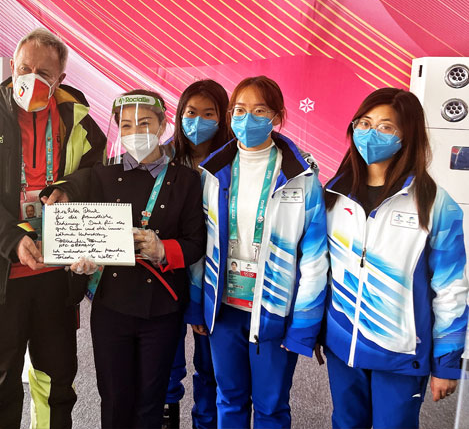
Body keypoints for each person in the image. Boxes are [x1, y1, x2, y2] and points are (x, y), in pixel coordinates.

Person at [0, 28, 106, 429]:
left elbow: (96, 174)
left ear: (60, 79)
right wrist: (12, 238)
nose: (31, 78)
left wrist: (70, 188)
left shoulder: (81, 124)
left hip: (57, 274)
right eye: (24, 68)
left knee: (57, 376)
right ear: (12, 67)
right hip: (0, 273)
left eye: (44, 73)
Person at [53, 90, 205, 428]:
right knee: (114, 398)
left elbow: (195, 244)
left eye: (145, 123)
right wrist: (84, 262)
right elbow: (86, 234)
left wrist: (164, 249)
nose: (136, 132)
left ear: (163, 125)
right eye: (126, 125)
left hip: (162, 307)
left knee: (151, 400)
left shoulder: (186, 180)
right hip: (111, 305)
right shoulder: (101, 176)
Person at [323, 88, 468, 429]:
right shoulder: (333, 194)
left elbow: (451, 289)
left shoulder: (434, 204)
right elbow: (321, 270)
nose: (371, 133)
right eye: (364, 123)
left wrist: (446, 363)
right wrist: (314, 331)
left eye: (385, 127)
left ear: (407, 135)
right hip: (343, 345)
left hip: (400, 354)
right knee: (345, 423)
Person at [190, 75, 328, 428]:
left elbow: (314, 258)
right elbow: (201, 245)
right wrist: (197, 305)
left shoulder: (301, 177)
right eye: (239, 110)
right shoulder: (212, 173)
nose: (247, 118)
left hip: (274, 311)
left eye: (259, 110)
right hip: (224, 309)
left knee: (271, 407)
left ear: (277, 116)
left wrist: (304, 325)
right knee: (229, 399)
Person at [164, 79, 230, 429]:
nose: (198, 121)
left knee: (211, 368)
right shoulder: (162, 158)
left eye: (209, 114)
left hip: (215, 283)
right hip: (168, 278)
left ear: (223, 118)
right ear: (179, 114)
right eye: (191, 113)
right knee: (166, 364)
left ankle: (206, 423)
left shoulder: (233, 162)